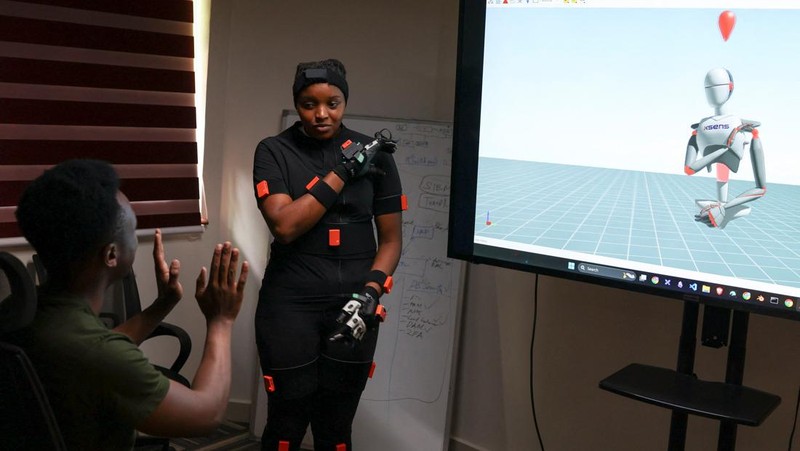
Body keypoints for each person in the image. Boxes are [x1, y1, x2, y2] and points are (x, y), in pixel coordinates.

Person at [12, 159, 249, 450]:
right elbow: (206, 414)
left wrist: (161, 306)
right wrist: (221, 321)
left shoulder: (24, 312)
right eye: (133, 229)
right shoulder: (101, 355)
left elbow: (91, 352)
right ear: (111, 254)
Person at [252, 58, 404, 450]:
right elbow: (285, 226)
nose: (321, 114)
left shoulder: (378, 155)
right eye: (308, 104)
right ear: (297, 104)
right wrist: (344, 170)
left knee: (336, 427)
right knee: (286, 422)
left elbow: (390, 240)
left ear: (345, 102)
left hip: (355, 304)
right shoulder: (273, 151)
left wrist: (371, 293)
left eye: (332, 103)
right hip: (289, 305)